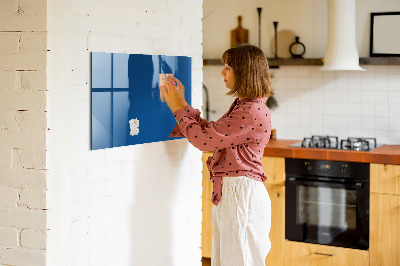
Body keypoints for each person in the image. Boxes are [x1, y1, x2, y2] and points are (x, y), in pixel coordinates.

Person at [161, 44, 273, 266]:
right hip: (236, 193)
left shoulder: (250, 111)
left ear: (244, 72)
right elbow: (212, 133)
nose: (222, 72)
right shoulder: (246, 106)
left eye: (228, 67)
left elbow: (204, 141)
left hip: (241, 195)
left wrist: (176, 108)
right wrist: (182, 103)